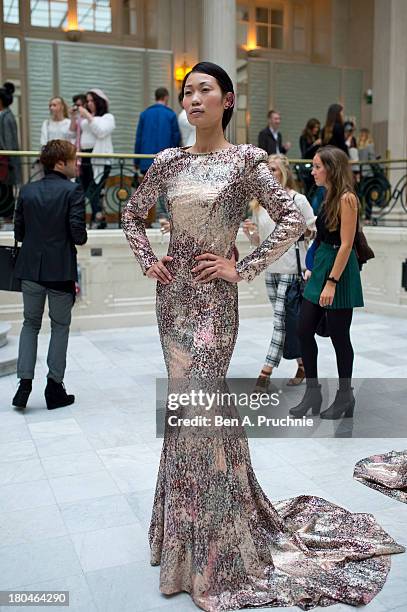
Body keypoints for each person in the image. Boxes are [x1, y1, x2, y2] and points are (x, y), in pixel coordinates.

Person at [122, 61, 403, 611]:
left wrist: (241, 267)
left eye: (204, 89)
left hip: (213, 303)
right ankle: (182, 540)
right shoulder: (167, 161)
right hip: (172, 301)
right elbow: (132, 215)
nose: (193, 98)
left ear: (227, 100)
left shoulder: (245, 160)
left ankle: (213, 551)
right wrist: (147, 259)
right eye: (187, 91)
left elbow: (293, 220)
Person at [12, 139, 87, 410]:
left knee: (30, 324)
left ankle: (23, 386)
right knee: (59, 327)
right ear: (60, 163)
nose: (76, 164)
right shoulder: (73, 191)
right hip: (60, 271)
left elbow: (19, 232)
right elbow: (78, 236)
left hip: (30, 269)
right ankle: (54, 388)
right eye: (73, 159)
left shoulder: (27, 191)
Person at [290, 145, 364, 420]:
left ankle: (346, 397)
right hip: (321, 266)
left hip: (339, 272)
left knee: (339, 336)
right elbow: (324, 236)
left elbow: (345, 245)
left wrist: (331, 282)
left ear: (331, 169)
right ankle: (313, 392)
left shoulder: (347, 198)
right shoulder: (327, 195)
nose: (313, 170)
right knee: (303, 329)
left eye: (317, 166)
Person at [243, 154, 315, 387]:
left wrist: (310, 265)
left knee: (279, 322)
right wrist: (250, 234)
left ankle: (265, 372)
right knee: (286, 321)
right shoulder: (259, 204)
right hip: (270, 270)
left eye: (273, 169)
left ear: (283, 172)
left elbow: (314, 233)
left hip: (293, 270)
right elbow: (259, 242)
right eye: (266, 170)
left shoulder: (298, 200)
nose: (269, 173)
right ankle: (303, 366)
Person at [70, 88, 115, 228]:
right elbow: (72, 133)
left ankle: (98, 218)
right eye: (87, 101)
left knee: (94, 190)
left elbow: (101, 132)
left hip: (99, 158)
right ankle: (97, 218)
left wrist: (88, 116)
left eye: (91, 100)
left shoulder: (107, 118)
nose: (88, 103)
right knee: (84, 190)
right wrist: (74, 117)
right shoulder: (86, 118)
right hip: (84, 157)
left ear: (99, 102)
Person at [134, 87, 180, 175]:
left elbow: (138, 139)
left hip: (146, 161)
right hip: (165, 161)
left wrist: (136, 161)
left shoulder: (144, 114)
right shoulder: (171, 115)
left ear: (156, 97)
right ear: (166, 97)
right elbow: (175, 140)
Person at [0, 82, 21, 217]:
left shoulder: (6, 117)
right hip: (4, 162)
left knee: (5, 193)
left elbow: (8, 143)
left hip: (5, 162)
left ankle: (7, 222)